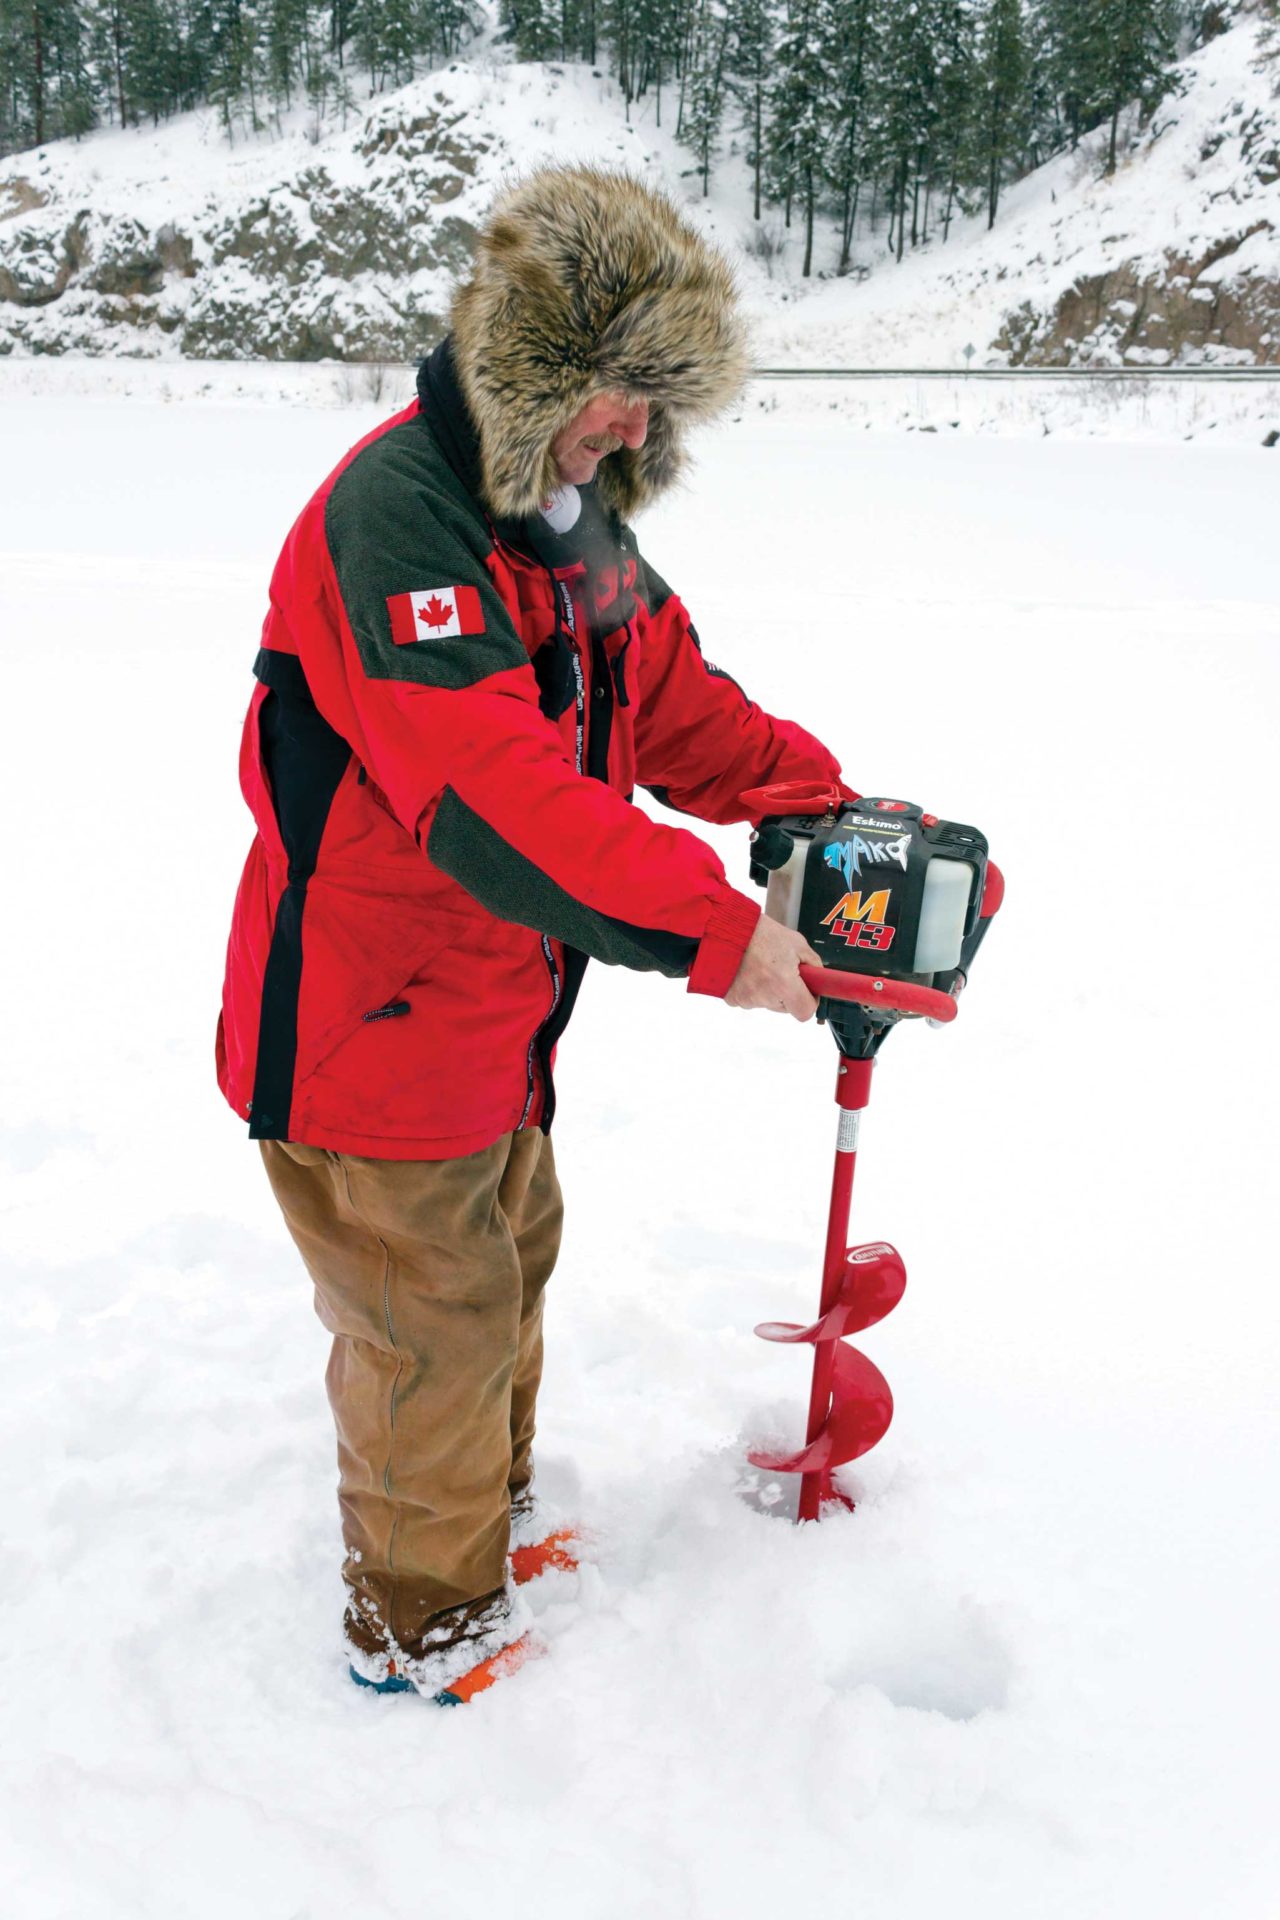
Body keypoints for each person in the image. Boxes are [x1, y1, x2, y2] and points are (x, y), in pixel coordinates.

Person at [216, 164, 853, 1704]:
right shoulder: (400, 521)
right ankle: (418, 1628)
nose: (636, 429)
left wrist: (818, 803)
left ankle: (475, 1531)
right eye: (621, 391)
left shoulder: (565, 514)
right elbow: (493, 804)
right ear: (540, 364)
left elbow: (675, 698)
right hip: (370, 1032)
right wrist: (720, 935)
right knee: (431, 1326)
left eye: (657, 401)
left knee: (508, 1266)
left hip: (494, 1015)